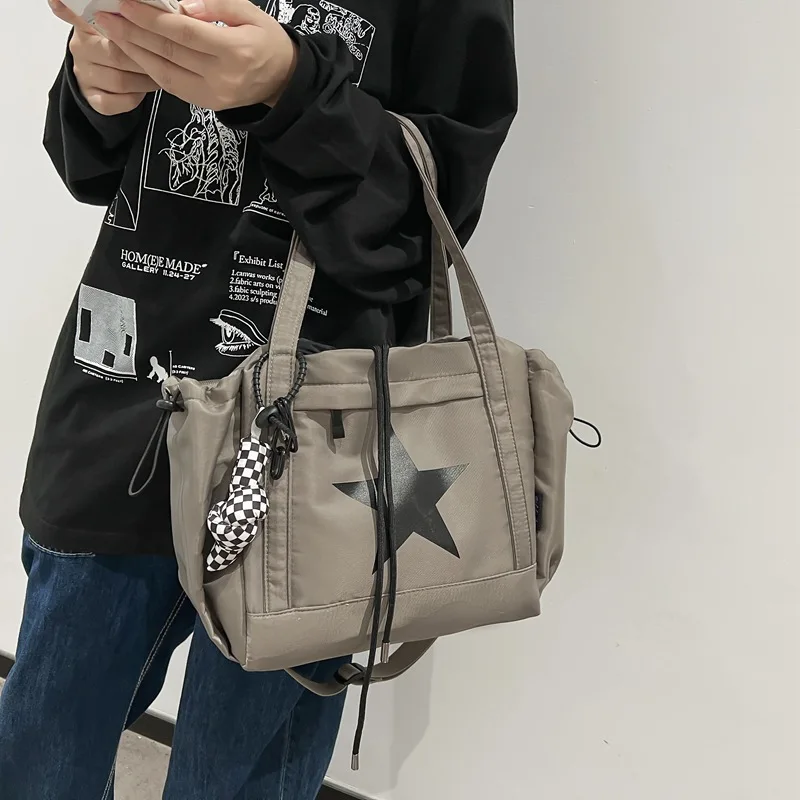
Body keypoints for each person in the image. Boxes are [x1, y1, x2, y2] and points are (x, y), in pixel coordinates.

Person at [0, 0, 518, 796]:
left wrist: (290, 90)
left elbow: (431, 215)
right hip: (122, 401)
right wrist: (94, 85)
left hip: (318, 443)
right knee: (39, 756)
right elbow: (90, 169)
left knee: (238, 778)